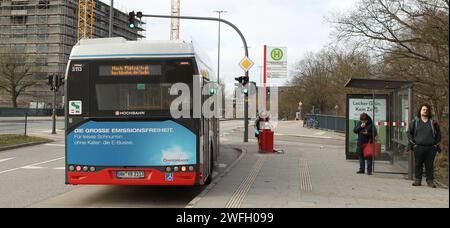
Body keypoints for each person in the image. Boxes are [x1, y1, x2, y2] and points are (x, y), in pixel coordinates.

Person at [408, 104, 441, 188]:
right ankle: (417, 180)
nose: (425, 111)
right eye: (423, 109)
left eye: (426, 109)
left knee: (430, 165)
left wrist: (435, 144)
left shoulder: (433, 122)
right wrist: (413, 144)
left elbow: (439, 134)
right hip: (418, 147)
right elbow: (409, 133)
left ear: (429, 111)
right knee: (418, 164)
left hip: (431, 148)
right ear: (420, 110)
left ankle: (430, 181)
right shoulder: (415, 121)